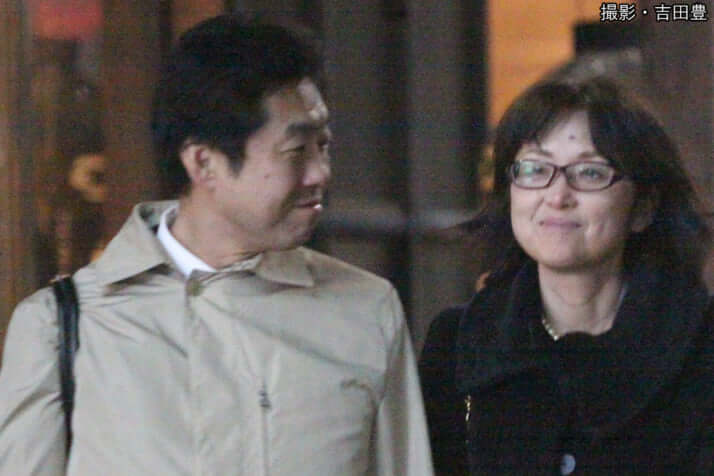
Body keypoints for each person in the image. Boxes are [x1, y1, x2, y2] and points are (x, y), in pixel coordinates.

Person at [0, 14, 433, 475]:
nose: (320, 173)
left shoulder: (365, 311)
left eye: (323, 146)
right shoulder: (62, 326)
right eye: (296, 151)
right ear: (204, 162)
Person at [419, 77, 713, 475]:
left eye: (590, 173)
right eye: (534, 169)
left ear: (643, 207)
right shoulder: (457, 344)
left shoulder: (700, 343)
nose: (557, 196)